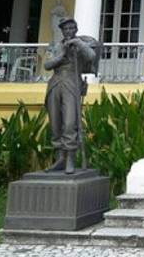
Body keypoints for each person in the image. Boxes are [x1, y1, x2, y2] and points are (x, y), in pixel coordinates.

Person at [43, 17, 96, 174]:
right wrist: (62, 54)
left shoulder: (80, 45)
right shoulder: (57, 46)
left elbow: (91, 56)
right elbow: (47, 65)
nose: (69, 31)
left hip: (72, 84)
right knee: (55, 123)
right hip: (55, 83)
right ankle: (60, 158)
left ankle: (70, 159)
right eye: (66, 29)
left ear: (76, 30)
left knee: (69, 122)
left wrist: (77, 43)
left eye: (72, 28)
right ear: (62, 31)